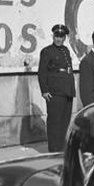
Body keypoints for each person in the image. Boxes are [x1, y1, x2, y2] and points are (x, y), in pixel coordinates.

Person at [37, 24, 75, 152]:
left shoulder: (66, 50)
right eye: (56, 36)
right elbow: (42, 72)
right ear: (53, 36)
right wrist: (45, 90)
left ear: (65, 38)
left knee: (65, 121)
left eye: (61, 36)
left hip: (67, 90)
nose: (58, 39)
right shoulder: (47, 51)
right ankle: (54, 150)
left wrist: (71, 89)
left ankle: (61, 149)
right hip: (55, 92)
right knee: (55, 122)